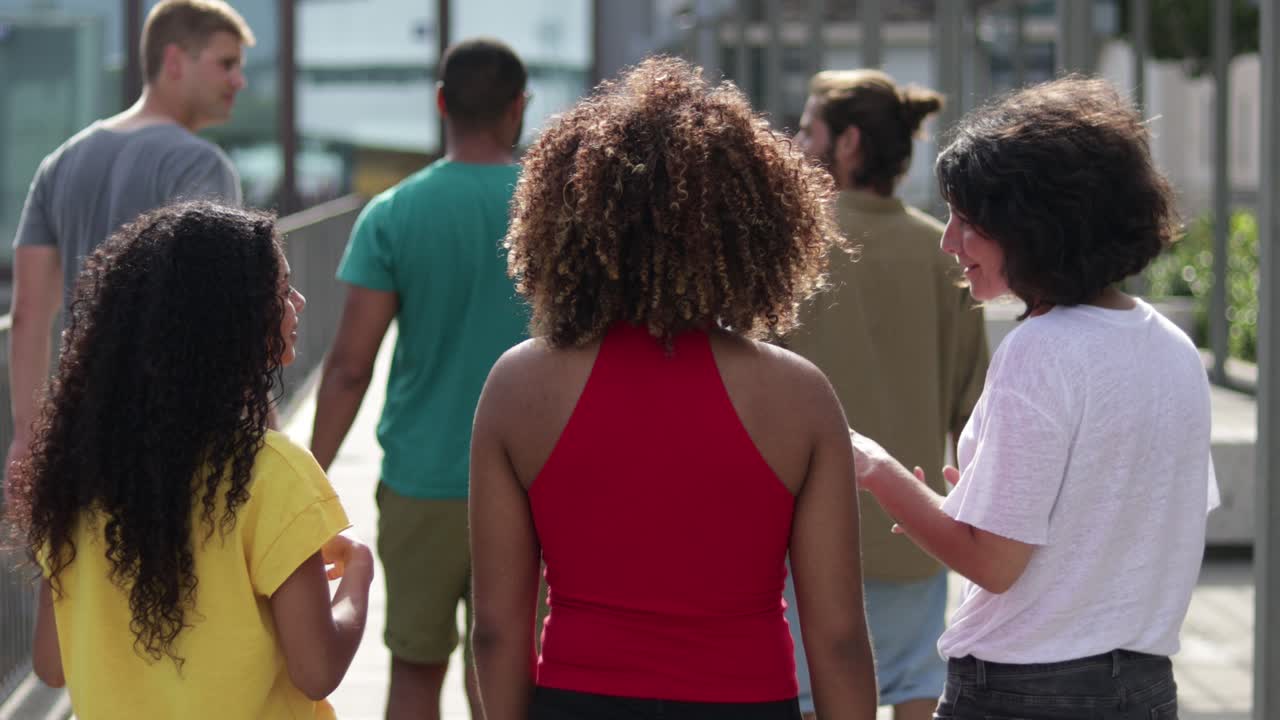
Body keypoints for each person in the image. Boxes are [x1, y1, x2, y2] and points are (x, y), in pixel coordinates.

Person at [469, 56, 878, 720]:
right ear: (752, 226)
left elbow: (494, 628)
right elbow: (838, 641)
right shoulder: (800, 396)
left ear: (568, 220)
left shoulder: (519, 385)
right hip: (747, 702)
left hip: (579, 702)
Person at [855, 76, 1217, 719]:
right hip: (1145, 689)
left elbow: (993, 565)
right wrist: (970, 503)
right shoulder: (1171, 346)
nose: (949, 241)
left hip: (1023, 691)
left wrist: (879, 473)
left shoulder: (1041, 350)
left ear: (1037, 225)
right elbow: (1131, 521)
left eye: (969, 220)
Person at [6, 202, 374, 719]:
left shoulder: (80, 476)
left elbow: (50, 665)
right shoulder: (272, 473)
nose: (299, 300)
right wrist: (359, 573)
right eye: (282, 290)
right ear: (231, 320)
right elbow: (316, 669)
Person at [309, 37, 529, 720]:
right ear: (520, 109)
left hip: (421, 479)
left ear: (441, 104)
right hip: (533, 482)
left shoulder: (393, 213)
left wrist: (312, 473)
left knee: (413, 668)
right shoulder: (548, 211)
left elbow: (349, 366)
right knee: (508, 671)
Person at [787, 69, 989, 720]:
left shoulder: (795, 246)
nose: (795, 141)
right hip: (915, 528)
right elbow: (973, 407)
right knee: (914, 691)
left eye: (808, 128)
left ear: (847, 144)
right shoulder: (943, 251)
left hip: (802, 534)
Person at [8, 0, 251, 482]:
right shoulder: (202, 166)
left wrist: (25, 440)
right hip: (176, 445)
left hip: (80, 438)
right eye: (226, 63)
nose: (238, 80)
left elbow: (29, 315)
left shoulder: (60, 162)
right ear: (175, 61)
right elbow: (225, 315)